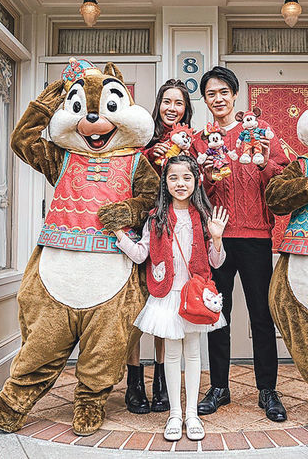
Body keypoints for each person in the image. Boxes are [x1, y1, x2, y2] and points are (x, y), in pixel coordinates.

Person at [190, 66, 288, 422]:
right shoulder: (200, 140)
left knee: (262, 315)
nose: (218, 99)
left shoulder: (259, 132)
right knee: (218, 314)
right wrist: (206, 178)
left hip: (256, 236)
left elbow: (283, 177)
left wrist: (263, 162)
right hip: (216, 237)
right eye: (211, 94)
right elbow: (190, 189)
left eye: (223, 93)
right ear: (205, 100)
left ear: (234, 95)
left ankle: (268, 389)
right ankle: (219, 387)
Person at [114, 155, 229, 442]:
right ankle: (174, 414)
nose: (180, 183)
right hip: (166, 295)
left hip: (194, 296)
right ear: (165, 182)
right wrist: (118, 233)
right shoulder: (156, 218)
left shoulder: (203, 216)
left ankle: (192, 414)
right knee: (173, 355)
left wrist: (217, 238)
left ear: (196, 181)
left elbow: (216, 262)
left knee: (194, 354)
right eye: (173, 177)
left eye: (187, 178)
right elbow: (141, 254)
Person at [124, 79, 194, 414]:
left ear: (186, 109)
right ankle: (134, 381)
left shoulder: (191, 143)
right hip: (142, 227)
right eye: (167, 101)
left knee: (164, 304)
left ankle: (161, 382)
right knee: (136, 307)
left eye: (179, 103)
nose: (172, 108)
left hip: (173, 229)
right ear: (158, 105)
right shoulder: (141, 140)